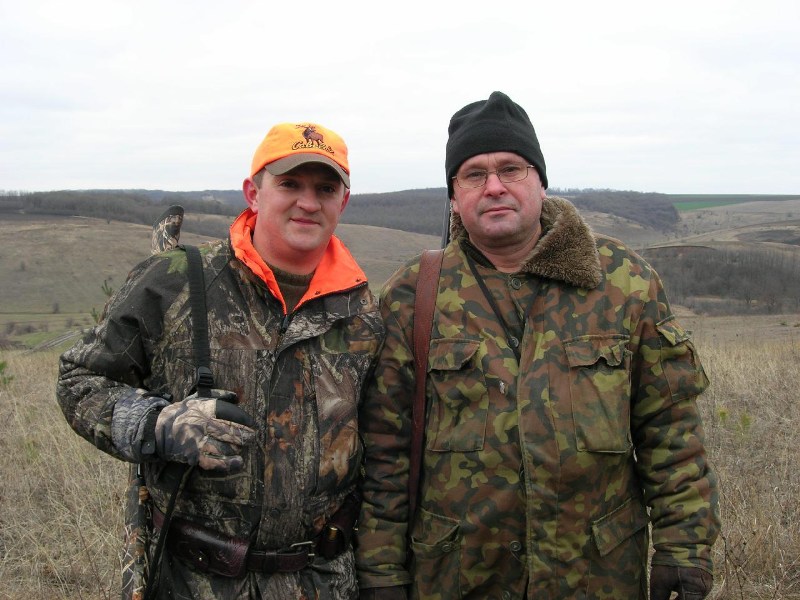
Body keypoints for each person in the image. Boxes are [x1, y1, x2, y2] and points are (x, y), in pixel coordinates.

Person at [355, 91, 720, 599]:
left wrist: (684, 548)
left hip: (596, 577)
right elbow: (385, 454)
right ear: (454, 196)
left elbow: (670, 431)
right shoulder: (414, 294)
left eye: (512, 169)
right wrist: (382, 573)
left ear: (541, 182)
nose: (494, 187)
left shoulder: (623, 282)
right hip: (458, 577)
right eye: (474, 174)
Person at [57, 121, 384, 599]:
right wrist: (155, 424)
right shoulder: (175, 281)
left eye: (325, 189)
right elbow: (79, 379)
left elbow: (383, 452)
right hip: (192, 581)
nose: (308, 202)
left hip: (321, 583)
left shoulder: (364, 314)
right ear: (253, 193)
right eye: (290, 184)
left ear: (343, 202)